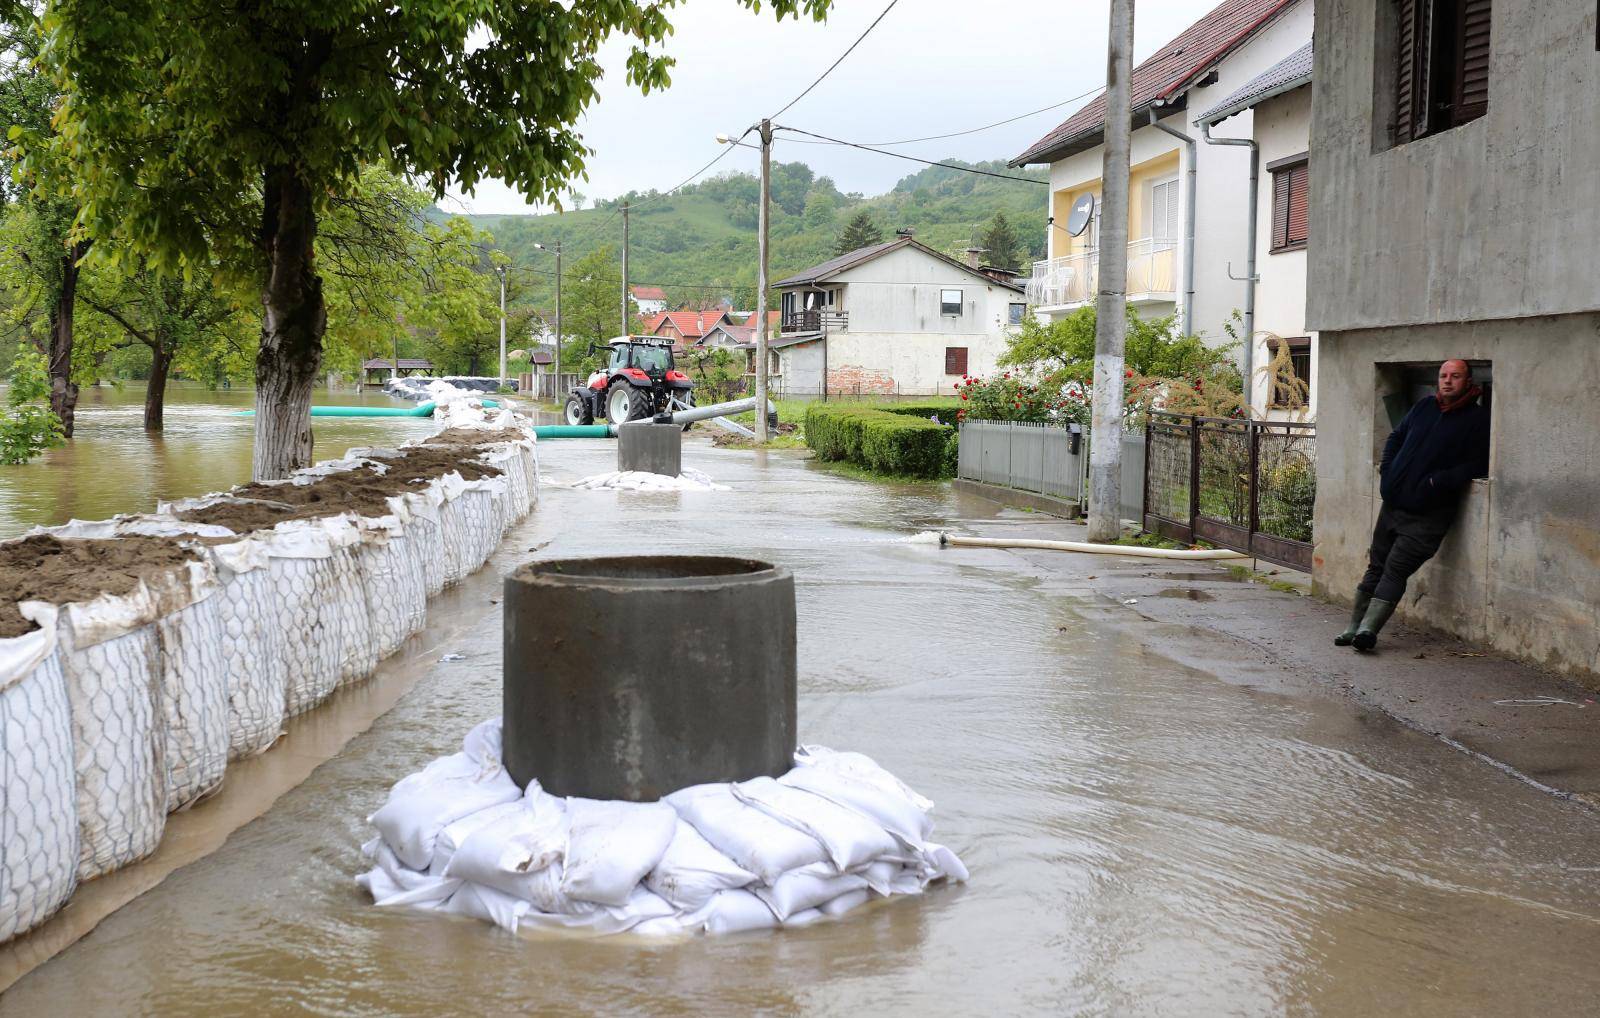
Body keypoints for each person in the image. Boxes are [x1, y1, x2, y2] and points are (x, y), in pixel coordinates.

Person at [1335, 359, 1490, 651]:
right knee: (1376, 566)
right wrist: (1388, 469)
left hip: (1429, 514)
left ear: (1468, 382)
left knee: (1396, 568)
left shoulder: (1477, 419)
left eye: (1455, 376)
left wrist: (1438, 482)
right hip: (1393, 505)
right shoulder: (1424, 408)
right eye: (1443, 375)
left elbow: (1479, 462)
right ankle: (1353, 627)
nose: (1447, 381)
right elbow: (1396, 436)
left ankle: (1369, 630)